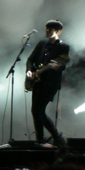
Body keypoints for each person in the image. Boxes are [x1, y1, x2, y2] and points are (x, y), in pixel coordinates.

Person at [26, 19, 69, 148]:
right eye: (46, 29)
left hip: (50, 84)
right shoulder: (42, 43)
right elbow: (30, 59)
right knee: (36, 111)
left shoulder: (64, 47)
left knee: (38, 110)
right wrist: (29, 70)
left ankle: (56, 137)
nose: (47, 31)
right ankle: (41, 140)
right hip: (37, 81)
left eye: (50, 29)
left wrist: (57, 67)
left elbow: (62, 64)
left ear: (58, 31)